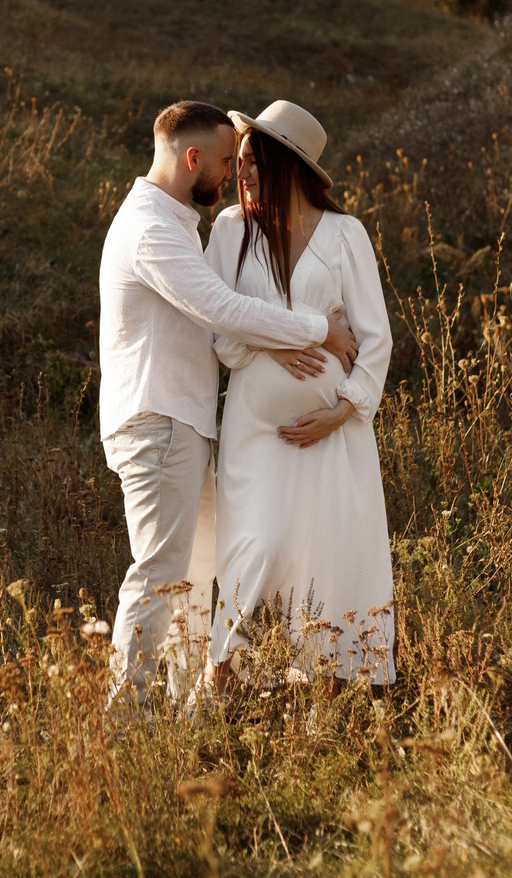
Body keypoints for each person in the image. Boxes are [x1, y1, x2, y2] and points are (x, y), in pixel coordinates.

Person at [97, 100, 358, 703]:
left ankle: (186, 707)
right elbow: (222, 310)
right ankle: (126, 716)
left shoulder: (174, 223)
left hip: (182, 423)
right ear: (192, 160)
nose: (229, 175)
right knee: (161, 573)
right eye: (221, 161)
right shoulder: (151, 230)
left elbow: (227, 327)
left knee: (192, 576)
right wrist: (318, 329)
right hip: (158, 421)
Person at [204, 100, 396, 689]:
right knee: (255, 545)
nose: (244, 174)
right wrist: (287, 336)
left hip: (332, 432)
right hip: (255, 431)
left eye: (255, 162)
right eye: (239, 162)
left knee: (327, 554)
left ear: (289, 166)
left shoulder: (344, 234)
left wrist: (343, 411)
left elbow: (374, 336)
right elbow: (221, 335)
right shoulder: (231, 229)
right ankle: (222, 679)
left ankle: (329, 689)